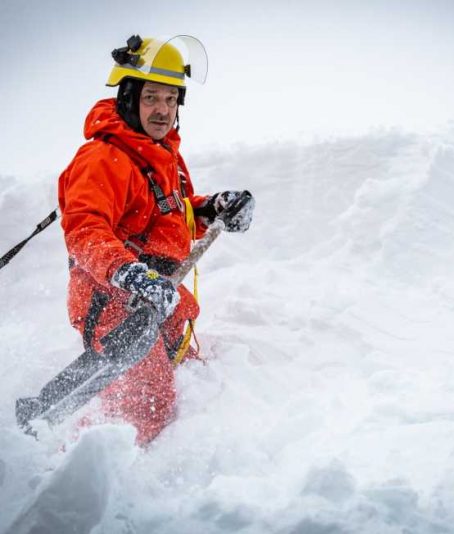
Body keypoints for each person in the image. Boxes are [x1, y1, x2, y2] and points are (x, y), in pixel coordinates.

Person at [57, 35, 254, 445]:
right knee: (147, 402)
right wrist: (130, 274)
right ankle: (69, 467)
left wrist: (214, 209)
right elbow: (84, 230)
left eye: (170, 99)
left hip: (159, 298)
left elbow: (167, 218)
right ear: (128, 98)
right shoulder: (103, 159)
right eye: (151, 98)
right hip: (114, 303)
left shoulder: (161, 153)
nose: (163, 110)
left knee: (190, 377)